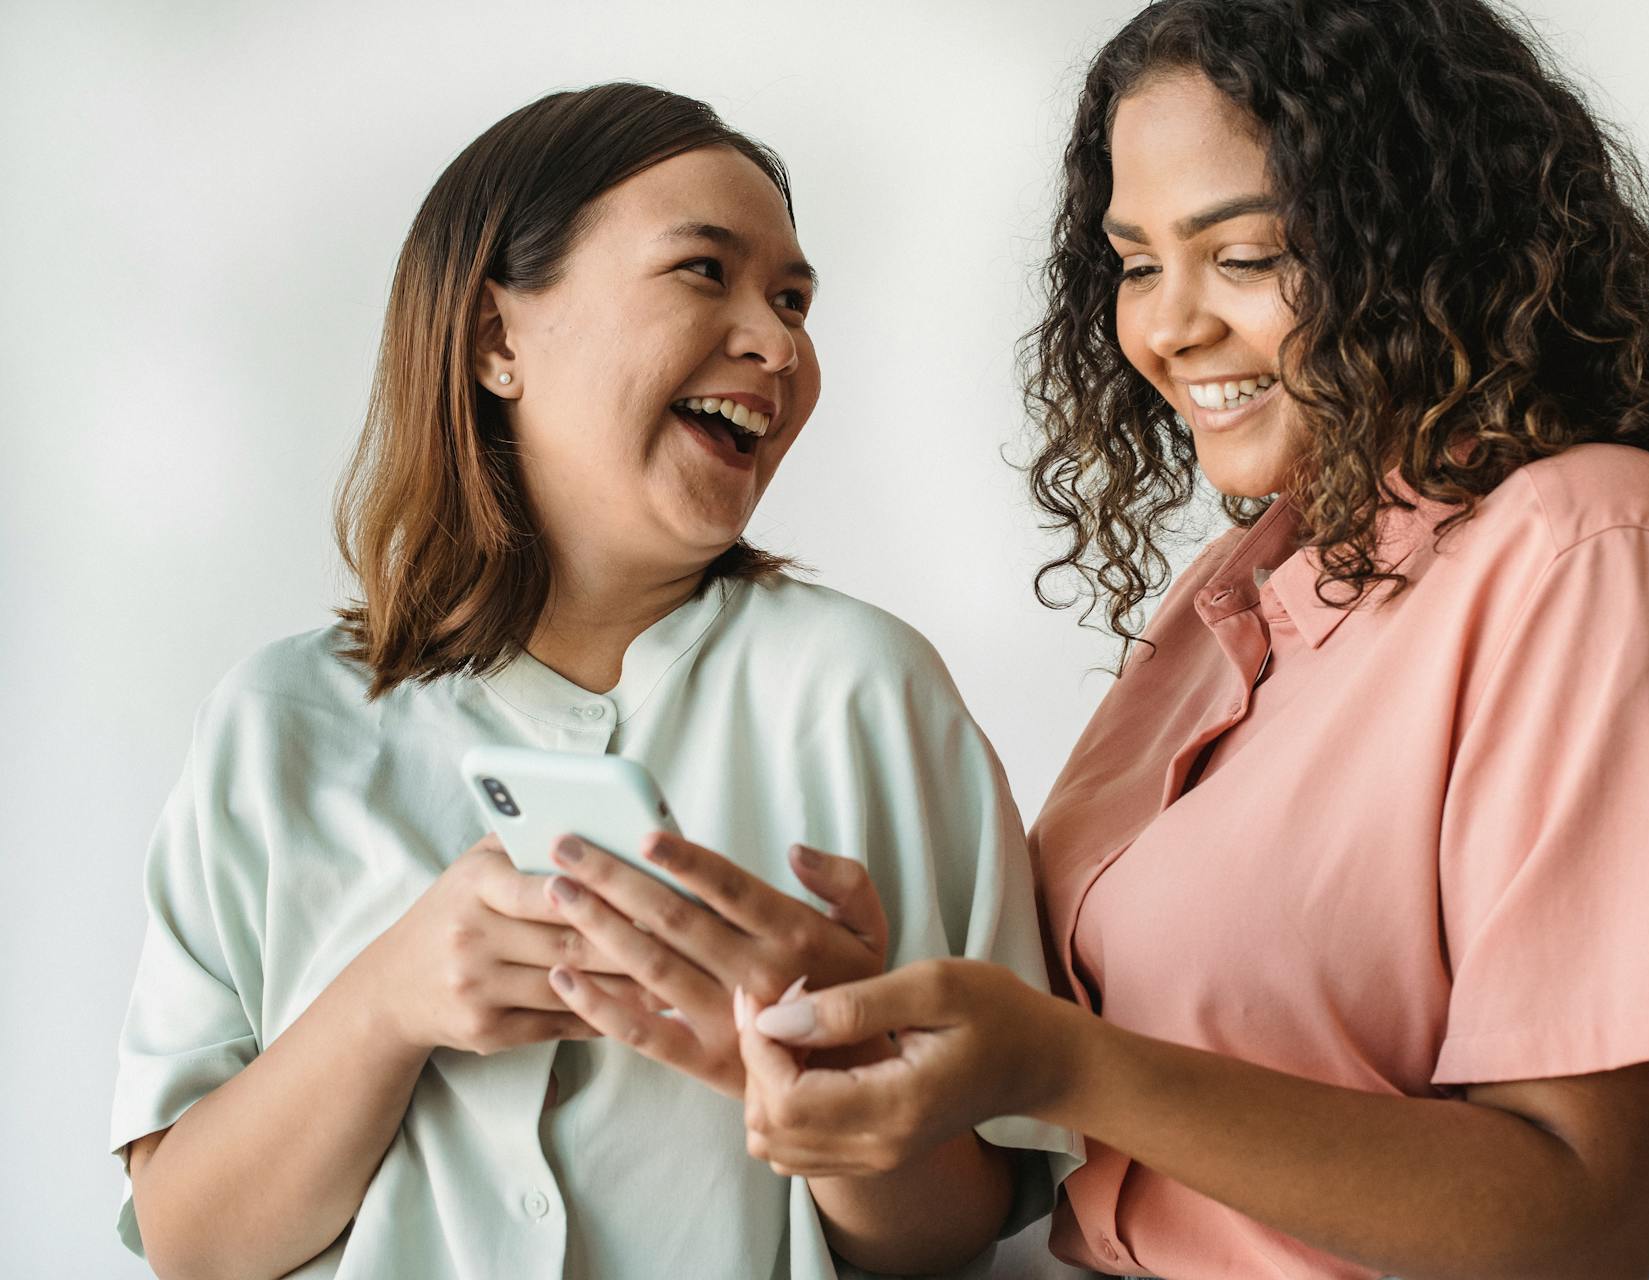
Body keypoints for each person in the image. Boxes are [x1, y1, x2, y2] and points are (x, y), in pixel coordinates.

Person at [711, 3, 1649, 1278]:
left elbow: (1579, 1211)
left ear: (1430, 240)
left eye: (1248, 256)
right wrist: (877, 1037)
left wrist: (1064, 1063)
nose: (1167, 328)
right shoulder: (1242, 584)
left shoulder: (1593, 551)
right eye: (1136, 262)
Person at [109, 82, 1072, 1280]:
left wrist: (845, 1102)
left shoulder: (868, 693)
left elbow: (959, 1230)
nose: (779, 343)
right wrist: (388, 1000)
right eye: (703, 271)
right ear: (495, 339)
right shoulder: (275, 723)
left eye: (793, 299)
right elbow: (189, 1242)